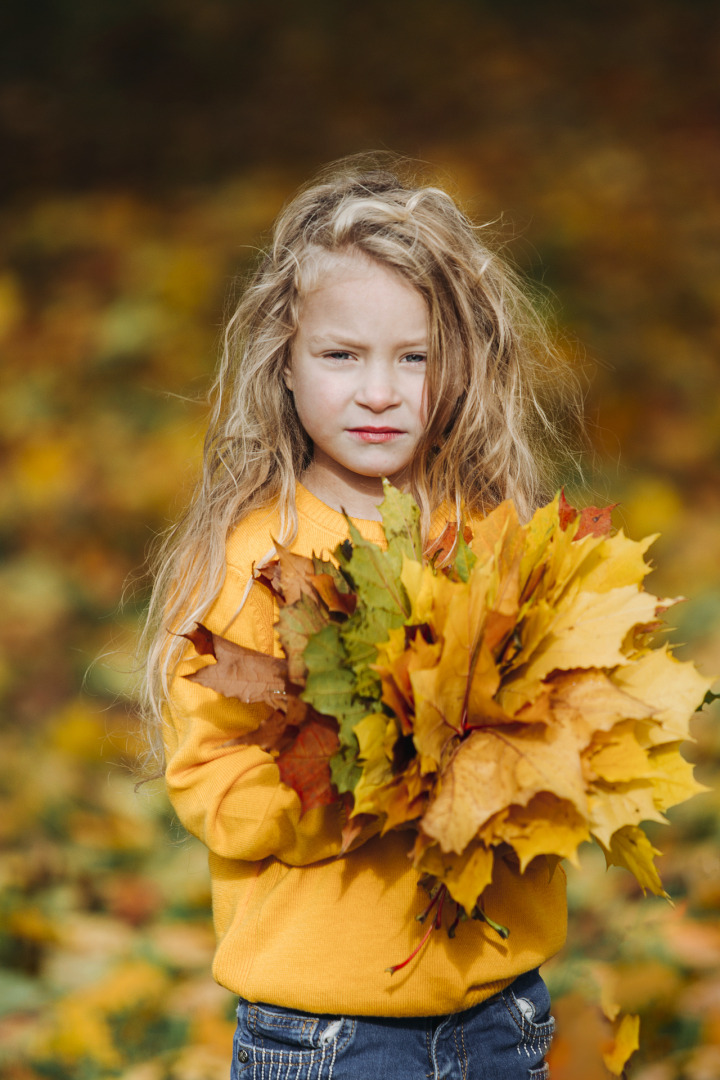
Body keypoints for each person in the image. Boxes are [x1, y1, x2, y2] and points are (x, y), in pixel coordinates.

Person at [140, 157, 584, 1080]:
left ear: (460, 365)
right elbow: (213, 782)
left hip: (500, 1010)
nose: (378, 391)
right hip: (328, 1031)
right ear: (287, 364)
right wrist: (350, 791)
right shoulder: (256, 558)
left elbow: (562, 718)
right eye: (342, 356)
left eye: (413, 358)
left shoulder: (493, 533)